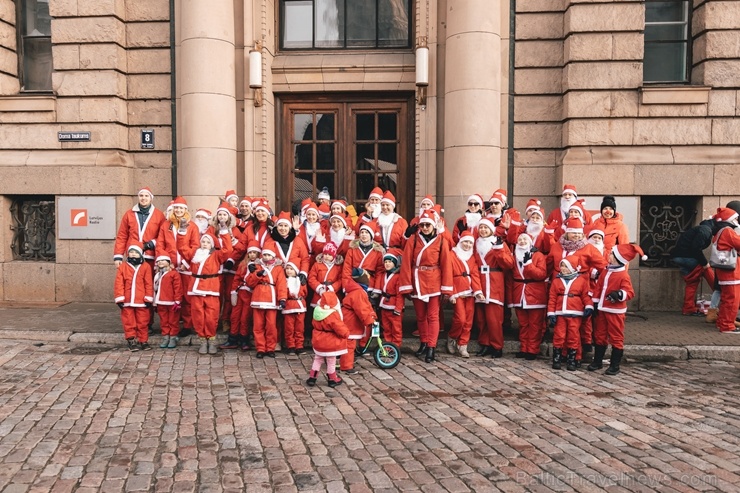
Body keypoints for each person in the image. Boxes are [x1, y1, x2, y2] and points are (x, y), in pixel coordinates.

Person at [399, 209, 454, 363]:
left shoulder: (441, 240)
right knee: (421, 316)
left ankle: (431, 346)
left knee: (433, 316)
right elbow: (406, 263)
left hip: (434, 281)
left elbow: (446, 264)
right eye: (422, 225)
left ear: (433, 226)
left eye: (427, 225)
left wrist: (446, 287)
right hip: (417, 280)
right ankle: (423, 342)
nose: (425, 227)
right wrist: (406, 284)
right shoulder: (413, 240)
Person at [589, 244, 643, 375]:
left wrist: (619, 294)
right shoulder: (606, 271)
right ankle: (597, 361)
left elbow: (629, 293)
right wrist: (594, 304)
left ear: (619, 258)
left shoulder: (623, 275)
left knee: (616, 337)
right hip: (602, 308)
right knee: (599, 335)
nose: (609, 255)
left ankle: (615, 365)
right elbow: (598, 288)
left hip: (615, 311)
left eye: (612, 254)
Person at [177, 231, 233, 355]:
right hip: (196, 288)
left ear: (212, 245)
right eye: (203, 241)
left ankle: (211, 339)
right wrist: (182, 232)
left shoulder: (217, 255)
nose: (205, 244)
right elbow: (182, 248)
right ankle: (202, 339)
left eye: (208, 242)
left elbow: (228, 250)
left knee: (211, 315)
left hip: (211, 288)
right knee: (198, 315)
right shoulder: (194, 254)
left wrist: (224, 233)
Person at [473, 217, 514, 358]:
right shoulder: (474, 243)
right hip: (479, 280)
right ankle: (485, 344)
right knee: (481, 318)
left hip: (494, 281)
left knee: (494, 318)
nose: (483, 230)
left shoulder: (499, 243)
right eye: (481, 228)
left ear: (491, 229)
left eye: (486, 228)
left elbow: (509, 264)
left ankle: (497, 346)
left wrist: (499, 250)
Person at [547, 257, 593, 371]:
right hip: (560, 312)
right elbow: (552, 298)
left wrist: (588, 306)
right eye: (561, 266)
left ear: (572, 267)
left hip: (575, 313)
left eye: (565, 266)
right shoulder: (557, 280)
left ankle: (572, 359)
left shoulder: (581, 280)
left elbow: (585, 296)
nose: (562, 268)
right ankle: (557, 358)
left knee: (573, 336)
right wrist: (551, 313)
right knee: (559, 335)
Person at [510, 233, 548, 361]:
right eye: (519, 239)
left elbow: (541, 275)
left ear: (530, 242)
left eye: (524, 239)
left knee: (535, 324)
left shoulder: (538, 256)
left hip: (535, 293)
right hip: (519, 293)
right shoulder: (514, 256)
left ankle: (532, 349)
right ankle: (524, 348)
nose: (521, 241)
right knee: (523, 324)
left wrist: (529, 265)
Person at [446, 231, 484, 358]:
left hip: (470, 292)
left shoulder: (471, 257)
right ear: (460, 242)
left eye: (470, 243)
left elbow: (475, 275)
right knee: (460, 319)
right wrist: (451, 294)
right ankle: (452, 337)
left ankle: (463, 345)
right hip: (457, 292)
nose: (467, 245)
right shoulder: (452, 255)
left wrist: (478, 291)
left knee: (468, 321)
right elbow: (447, 275)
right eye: (465, 242)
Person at [670, 217, 716, 316]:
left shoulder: (700, 229)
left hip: (678, 257)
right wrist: (704, 263)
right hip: (687, 257)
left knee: (692, 282)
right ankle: (721, 293)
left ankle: (688, 308)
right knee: (706, 270)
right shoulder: (706, 230)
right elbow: (696, 248)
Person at [247, 246, 288, 358]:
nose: (266, 257)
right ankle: (260, 348)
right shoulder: (256, 266)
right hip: (258, 297)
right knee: (258, 325)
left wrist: (282, 299)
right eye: (264, 255)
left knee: (271, 325)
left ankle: (270, 347)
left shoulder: (278, 268)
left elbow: (282, 284)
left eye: (268, 255)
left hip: (271, 297)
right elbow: (249, 282)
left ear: (273, 256)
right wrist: (256, 275)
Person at [114, 242, 154, 351]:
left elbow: (148, 283)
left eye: (135, 253)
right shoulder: (123, 267)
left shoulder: (145, 266)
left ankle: (143, 340)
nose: (133, 255)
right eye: (131, 252)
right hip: (127, 300)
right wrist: (119, 298)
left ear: (140, 254)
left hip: (141, 300)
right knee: (129, 321)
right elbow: (119, 283)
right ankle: (131, 340)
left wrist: (149, 298)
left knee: (143, 321)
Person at [113, 187, 166, 267]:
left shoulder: (159, 215)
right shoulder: (129, 214)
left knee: (148, 279)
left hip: (150, 256)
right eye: (141, 196)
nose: (143, 198)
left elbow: (163, 236)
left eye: (146, 196)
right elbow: (122, 236)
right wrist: (118, 256)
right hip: (132, 255)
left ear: (151, 198)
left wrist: (150, 244)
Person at [223, 241, 261, 351]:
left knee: (245, 317)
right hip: (240, 293)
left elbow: (255, 281)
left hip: (249, 294)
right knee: (235, 316)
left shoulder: (259, 266)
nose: (252, 255)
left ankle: (244, 339)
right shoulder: (243, 264)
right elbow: (237, 279)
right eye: (250, 253)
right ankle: (232, 339)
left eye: (255, 253)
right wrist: (233, 291)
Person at [307, 291, 349, 388]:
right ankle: (332, 378)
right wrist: (346, 333)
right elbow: (339, 327)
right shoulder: (332, 314)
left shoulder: (317, 311)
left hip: (318, 339)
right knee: (331, 360)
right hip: (330, 341)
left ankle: (312, 378)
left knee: (317, 359)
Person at [340, 271, 378, 374]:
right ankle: (346, 366)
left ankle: (347, 361)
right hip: (350, 320)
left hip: (350, 318)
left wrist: (372, 315)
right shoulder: (359, 292)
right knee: (350, 343)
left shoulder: (357, 291)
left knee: (350, 342)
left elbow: (366, 307)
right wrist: (370, 320)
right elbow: (362, 309)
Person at [710, 207, 740, 334]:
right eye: (735, 218)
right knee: (732, 300)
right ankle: (727, 326)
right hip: (731, 273)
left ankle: (722, 322)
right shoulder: (728, 231)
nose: (737, 220)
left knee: (726, 299)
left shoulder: (719, 232)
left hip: (724, 272)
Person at [153, 255, 183, 349]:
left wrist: (177, 300)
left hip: (171, 302)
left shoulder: (174, 274)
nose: (160, 262)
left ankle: (173, 337)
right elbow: (155, 289)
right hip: (160, 302)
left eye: (163, 260)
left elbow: (178, 288)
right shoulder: (157, 275)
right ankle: (166, 337)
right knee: (164, 321)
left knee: (173, 321)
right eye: (159, 261)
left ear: (169, 262)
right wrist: (154, 301)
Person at [376, 248, 405, 349]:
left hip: (394, 307)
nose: (387, 264)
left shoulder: (398, 277)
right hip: (384, 305)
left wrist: (398, 309)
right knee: (386, 328)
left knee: (396, 329)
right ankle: (388, 346)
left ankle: (396, 346)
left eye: (390, 262)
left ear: (394, 263)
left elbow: (400, 295)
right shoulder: (383, 275)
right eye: (386, 262)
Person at [308, 242, 344, 309]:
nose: (327, 256)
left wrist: (333, 288)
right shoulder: (317, 264)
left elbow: (341, 280)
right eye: (325, 254)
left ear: (334, 255)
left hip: (333, 293)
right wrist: (319, 288)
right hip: (319, 294)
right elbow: (311, 278)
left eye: (330, 254)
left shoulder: (338, 266)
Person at [282, 262, 308, 354]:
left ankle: (299, 346)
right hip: (289, 305)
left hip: (300, 306)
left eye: (291, 269)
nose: (289, 271)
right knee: (289, 328)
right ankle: (291, 346)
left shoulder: (301, 281)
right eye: (287, 269)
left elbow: (305, 292)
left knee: (299, 328)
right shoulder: (283, 281)